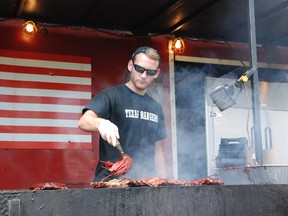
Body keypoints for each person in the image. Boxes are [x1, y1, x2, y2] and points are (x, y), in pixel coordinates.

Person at [78, 46, 167, 181]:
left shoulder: (155, 107)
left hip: (144, 183)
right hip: (109, 182)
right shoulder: (111, 96)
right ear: (130, 65)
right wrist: (101, 123)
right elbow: (84, 121)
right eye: (139, 69)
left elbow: (157, 150)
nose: (143, 76)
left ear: (156, 73)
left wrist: (163, 182)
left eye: (150, 72)